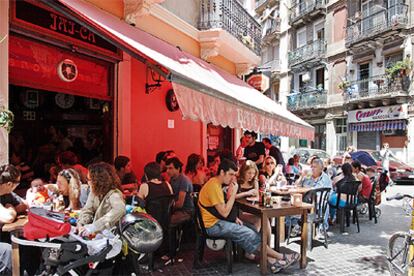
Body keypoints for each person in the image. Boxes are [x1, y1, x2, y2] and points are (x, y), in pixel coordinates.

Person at [199, 159, 299, 273]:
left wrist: (233, 218)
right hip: (213, 226)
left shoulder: (215, 184)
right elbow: (224, 212)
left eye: (234, 175)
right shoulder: (213, 186)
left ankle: (272, 261)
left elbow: (219, 210)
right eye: (231, 174)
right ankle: (281, 257)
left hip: (217, 221)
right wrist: (233, 193)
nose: (232, 178)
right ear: (222, 172)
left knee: (250, 229)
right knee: (248, 233)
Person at [77, 162, 125, 236]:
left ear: (97, 181)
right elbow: (87, 209)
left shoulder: (114, 194)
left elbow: (119, 209)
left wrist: (94, 227)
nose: (87, 183)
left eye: (89, 179)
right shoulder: (94, 192)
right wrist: (81, 224)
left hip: (110, 236)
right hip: (95, 235)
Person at [0, 165, 21, 275]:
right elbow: (8, 218)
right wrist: (10, 207)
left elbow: (24, 205)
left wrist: (9, 207)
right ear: (9, 184)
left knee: (24, 244)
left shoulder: (7, 194)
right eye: (17, 183)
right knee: (7, 251)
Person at [165, 157, 194, 225]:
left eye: (170, 168)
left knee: (168, 221)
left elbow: (180, 204)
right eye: (167, 168)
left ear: (178, 169)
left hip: (186, 211)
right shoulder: (171, 179)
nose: (167, 171)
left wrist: (168, 208)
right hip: (177, 210)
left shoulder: (184, 180)